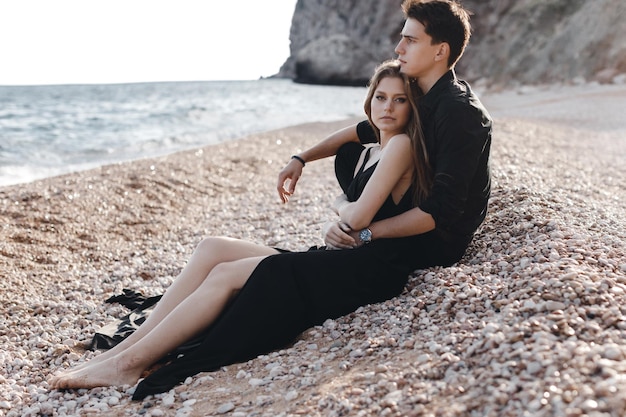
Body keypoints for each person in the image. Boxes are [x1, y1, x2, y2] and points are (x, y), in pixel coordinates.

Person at [48, 58, 430, 399]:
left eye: (400, 100)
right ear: (370, 101)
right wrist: (300, 158)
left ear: (412, 106)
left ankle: (127, 365)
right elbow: (346, 136)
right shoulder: (371, 145)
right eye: (381, 97)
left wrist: (338, 203)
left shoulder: (400, 146)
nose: (388, 107)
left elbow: (357, 220)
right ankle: (125, 349)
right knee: (213, 247)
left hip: (368, 270)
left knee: (227, 273)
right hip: (338, 258)